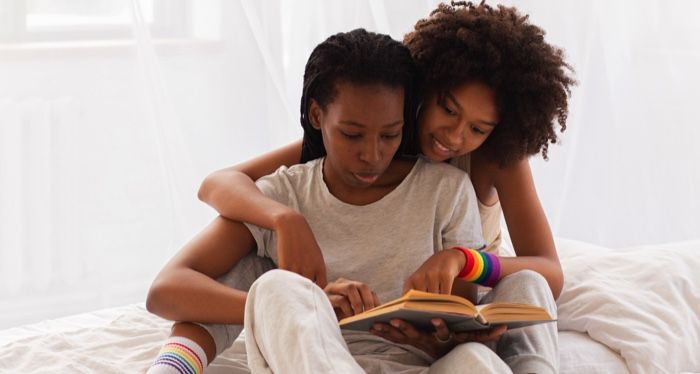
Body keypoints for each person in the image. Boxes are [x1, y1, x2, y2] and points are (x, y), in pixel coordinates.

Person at [196, 2, 574, 373]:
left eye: (478, 129)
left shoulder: (492, 160)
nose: (455, 136)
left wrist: (463, 259)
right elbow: (219, 182)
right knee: (259, 268)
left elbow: (547, 272)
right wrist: (284, 219)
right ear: (421, 90)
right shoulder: (368, 143)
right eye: (447, 109)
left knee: (527, 285)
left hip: (467, 289)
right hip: (393, 310)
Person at [146, 28, 517, 374]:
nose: (372, 155)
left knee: (477, 359)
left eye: (390, 135)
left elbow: (455, 326)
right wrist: (306, 305)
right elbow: (165, 291)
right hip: (313, 359)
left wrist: (432, 339)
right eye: (352, 135)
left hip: (419, 365)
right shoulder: (286, 193)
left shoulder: (447, 191)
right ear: (316, 115)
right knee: (271, 283)